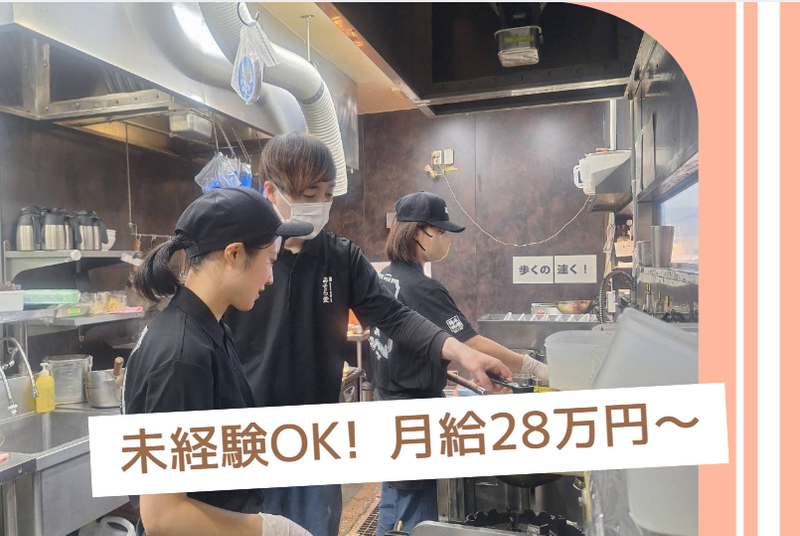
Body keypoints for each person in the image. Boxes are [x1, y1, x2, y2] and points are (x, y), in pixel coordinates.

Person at [224, 132, 512, 536]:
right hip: (246, 438)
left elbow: (395, 316)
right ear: (271, 191)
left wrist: (464, 354)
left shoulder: (339, 256)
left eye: (327, 193)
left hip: (314, 441)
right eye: (309, 194)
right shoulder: (240, 254)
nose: (320, 204)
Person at [122, 187, 315, 536]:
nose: (271, 278)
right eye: (270, 261)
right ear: (234, 254)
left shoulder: (206, 328)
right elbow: (162, 515)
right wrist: (268, 530)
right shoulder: (183, 355)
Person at [369, 191, 550, 536]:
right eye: (441, 231)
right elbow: (470, 342)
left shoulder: (385, 278)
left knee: (393, 509)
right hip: (414, 418)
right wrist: (532, 366)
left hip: (387, 407)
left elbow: (414, 346)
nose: (447, 240)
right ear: (418, 232)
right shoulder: (422, 288)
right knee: (417, 517)